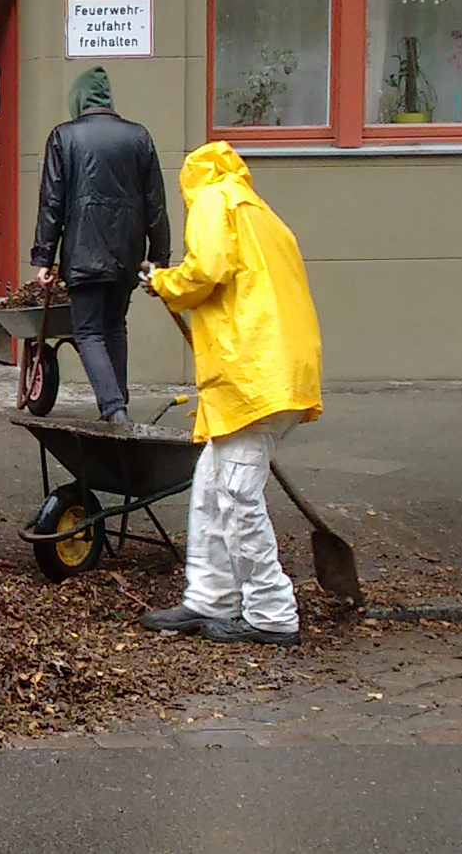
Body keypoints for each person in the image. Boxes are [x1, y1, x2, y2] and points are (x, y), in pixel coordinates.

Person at [142, 141, 322, 646]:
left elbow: (206, 271)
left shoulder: (213, 199)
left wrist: (164, 281)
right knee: (210, 486)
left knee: (238, 493)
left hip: (254, 368)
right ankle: (210, 597)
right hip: (278, 365)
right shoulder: (263, 214)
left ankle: (271, 612)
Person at [29, 65, 169, 424]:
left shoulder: (64, 137)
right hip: (127, 253)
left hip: (83, 252)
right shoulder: (138, 137)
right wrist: (158, 257)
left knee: (88, 330)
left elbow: (52, 201)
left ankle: (113, 408)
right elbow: (156, 203)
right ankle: (117, 400)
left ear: (78, 100)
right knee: (115, 327)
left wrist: (44, 256)